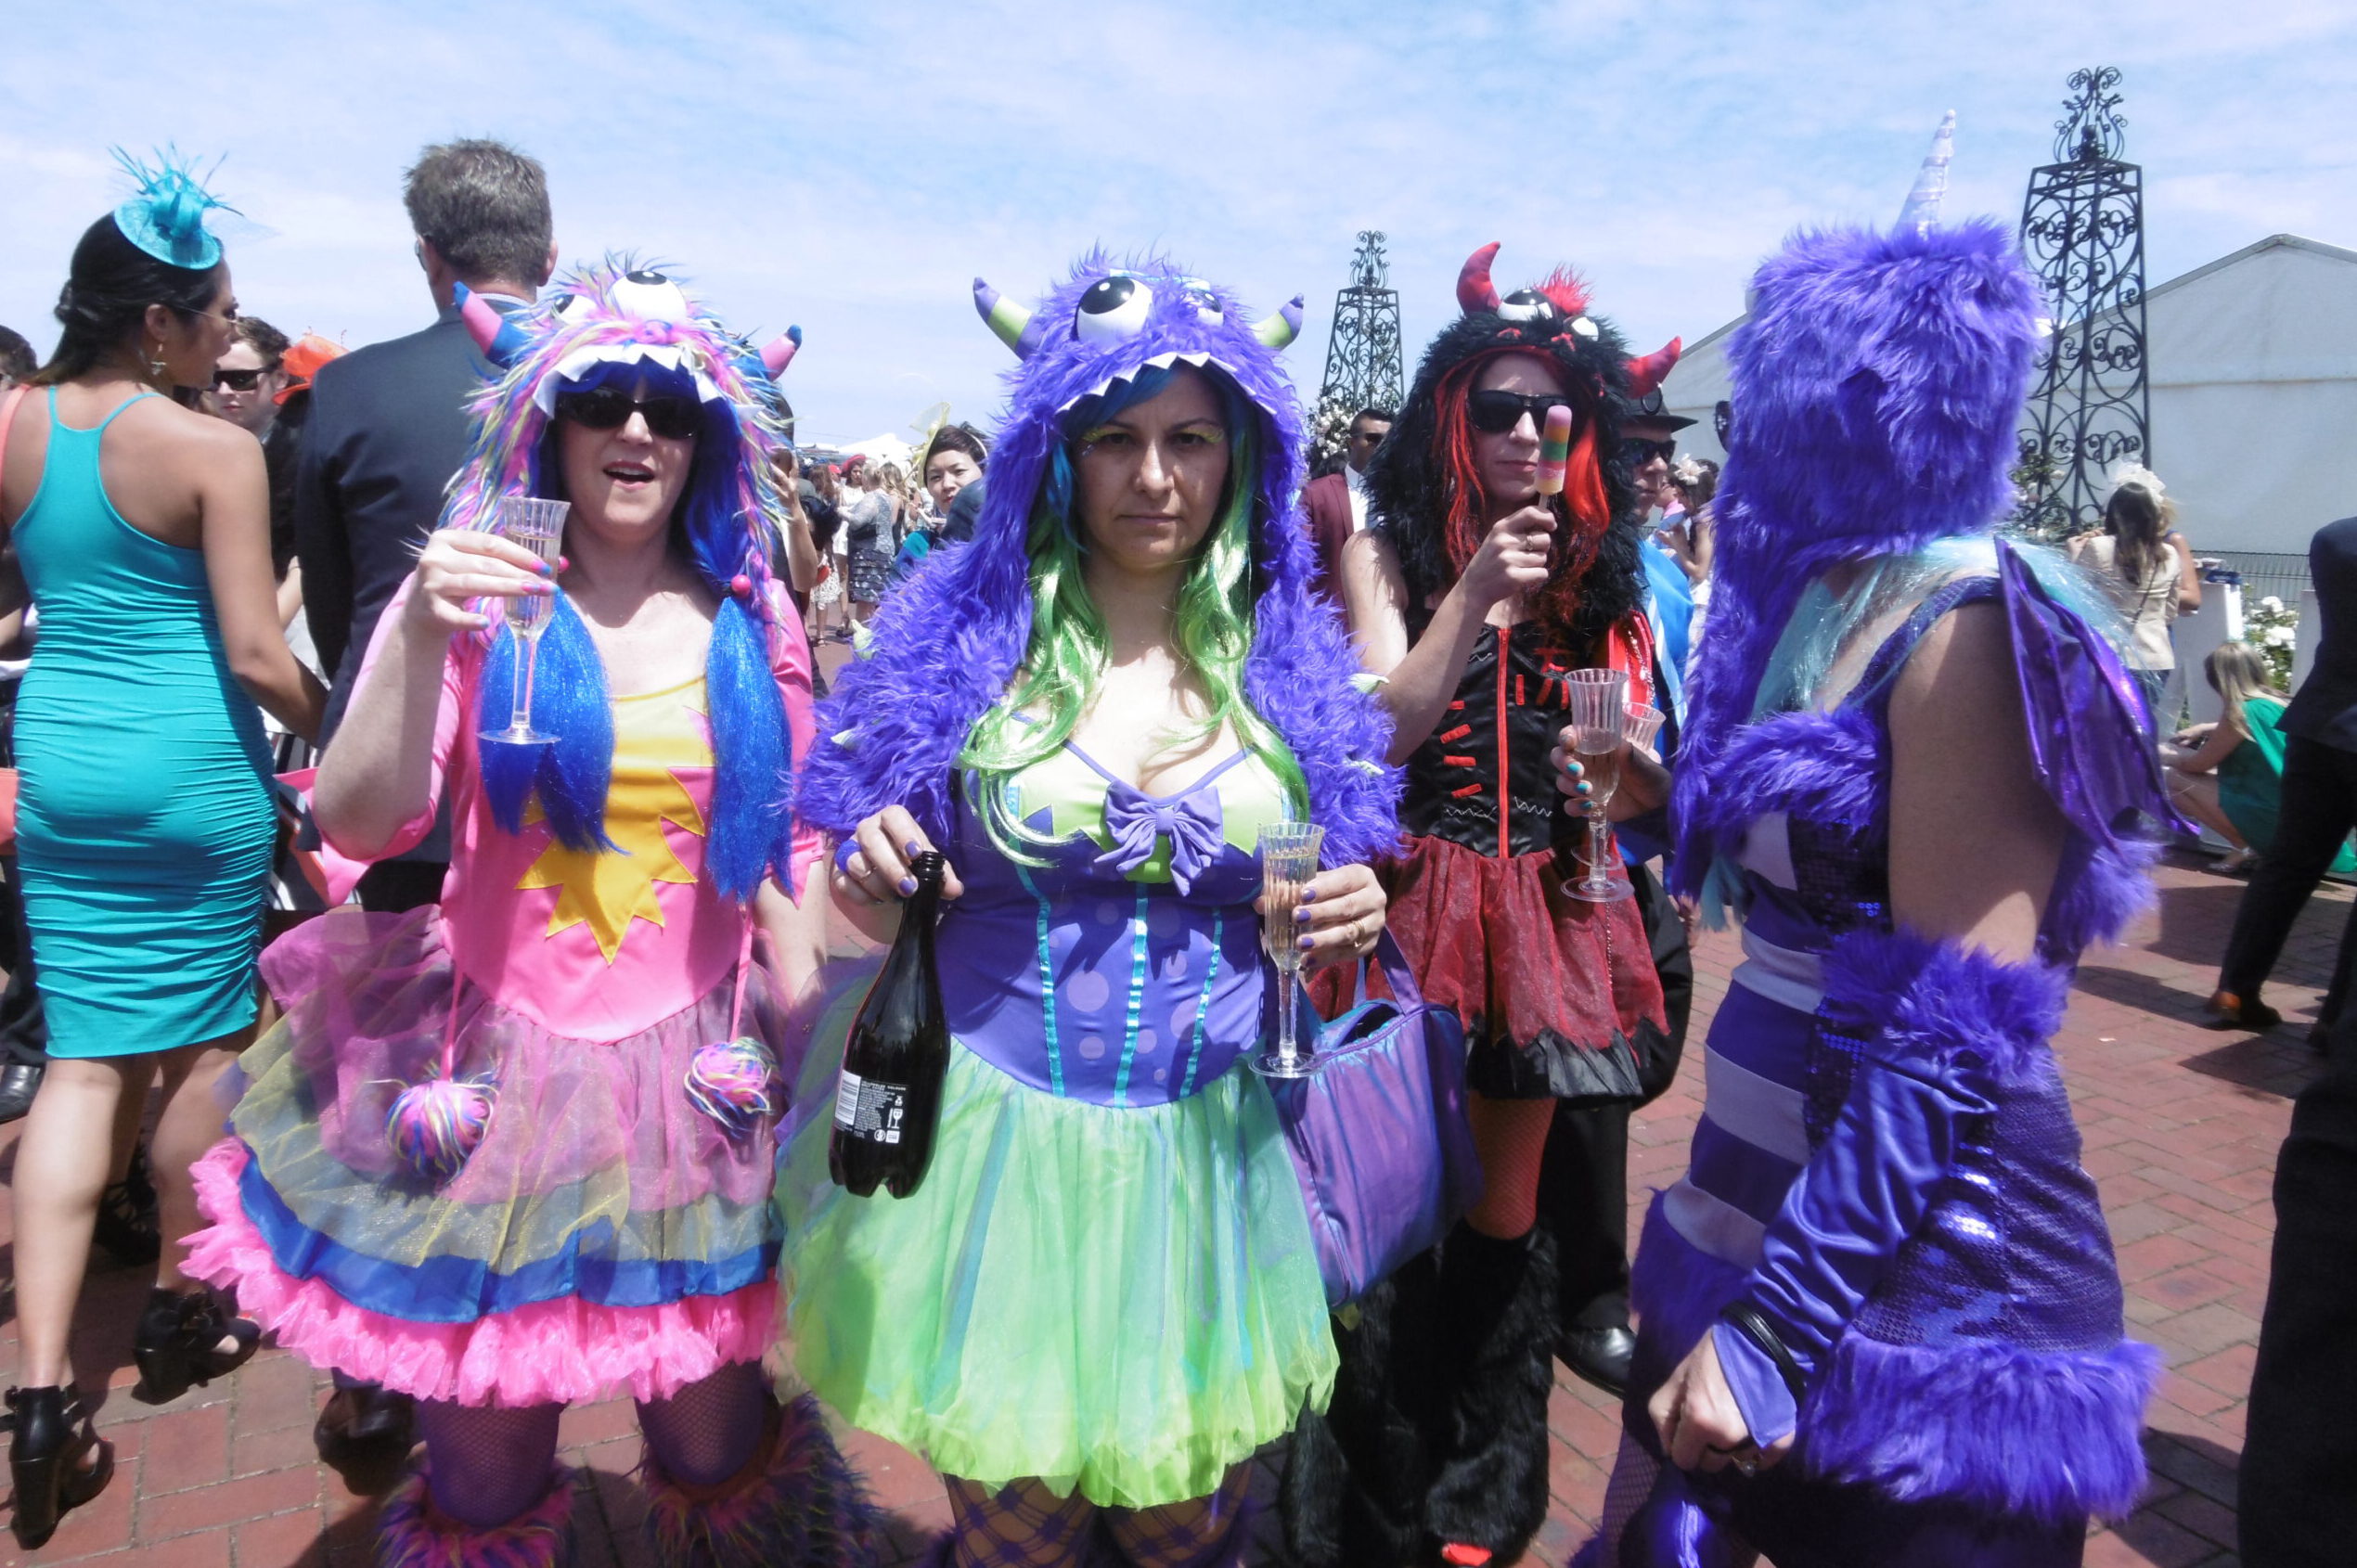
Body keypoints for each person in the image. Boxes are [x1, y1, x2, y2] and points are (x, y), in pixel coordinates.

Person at [184, 262, 874, 1567]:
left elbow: (787, 847)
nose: (636, 429)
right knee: (484, 1468)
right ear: (549, 423)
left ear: (704, 440)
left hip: (698, 1087)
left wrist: (806, 1036)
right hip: (493, 1080)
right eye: (602, 398)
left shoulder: (750, 612)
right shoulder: (484, 600)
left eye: (669, 409)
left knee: (713, 1447)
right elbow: (362, 821)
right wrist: (416, 623)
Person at [1588, 143, 2168, 1568]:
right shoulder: (1827, 596)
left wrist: (1776, 1330)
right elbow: (1808, 878)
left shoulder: (1965, 623)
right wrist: (1657, 799)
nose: (1757, 435)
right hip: (1760, 1193)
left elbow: (1957, 1025)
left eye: (1788, 396)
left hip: (1919, 1278)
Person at [780, 255, 1392, 1568]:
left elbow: (1314, 897)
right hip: (994, 1156)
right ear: (1056, 451)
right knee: (1023, 1538)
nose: (1154, 478)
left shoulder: (1288, 660)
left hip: (1209, 1162)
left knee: (1185, 1532)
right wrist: (873, 868)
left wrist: (1349, 903)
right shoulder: (962, 641)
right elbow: (867, 896)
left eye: (1190, 440)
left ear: (1240, 457)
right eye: (1116, 437)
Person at [1289, 244, 1676, 1568]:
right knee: (1390, 1203)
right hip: (1410, 901)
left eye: (1549, 416)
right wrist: (1474, 592)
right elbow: (1379, 735)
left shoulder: (1603, 571)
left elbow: (1637, 784)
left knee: (1507, 1208)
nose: (1524, 434)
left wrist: (1619, 773)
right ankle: (1365, 1491)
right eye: (1500, 409)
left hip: (1547, 905)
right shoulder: (1384, 551)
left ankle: (1485, 1482)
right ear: (1454, 416)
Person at [0, 150, 326, 1549]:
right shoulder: (212, 451)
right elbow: (256, 650)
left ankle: (37, 1394)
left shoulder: (13, 424)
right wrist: (343, 735)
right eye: (217, 312)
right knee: (205, 1048)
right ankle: (186, 1303)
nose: (228, 332)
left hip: (64, 767)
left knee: (82, 1063)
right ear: (157, 322)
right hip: (189, 772)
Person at [287, 140, 555, 1466]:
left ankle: (386, 1363)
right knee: (552, 1087)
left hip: (404, 790)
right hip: (557, 801)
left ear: (428, 258)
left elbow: (342, 611)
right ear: (547, 256)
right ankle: (537, 1317)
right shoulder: (594, 390)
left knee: (399, 1096)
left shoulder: (349, 392)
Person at [2206, 513, 2357, 1039]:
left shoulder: (2334, 538)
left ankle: (2236, 987)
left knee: (2287, 866)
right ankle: (2336, 1022)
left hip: (2319, 723)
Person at [2164, 641, 2354, 877]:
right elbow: (2251, 725)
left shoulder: (2238, 714)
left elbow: (2198, 764)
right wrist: (2204, 728)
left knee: (2174, 779)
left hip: (2272, 813)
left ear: (2217, 679)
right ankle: (2251, 846)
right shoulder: (2279, 702)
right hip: (2303, 813)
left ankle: (2244, 846)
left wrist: (2165, 755)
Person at [2067, 465, 2201, 713]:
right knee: (2142, 724)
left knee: (2104, 723)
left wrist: (2075, 555)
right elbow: (2169, 612)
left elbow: (2074, 598)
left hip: (2107, 652)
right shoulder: (2169, 554)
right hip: (2154, 655)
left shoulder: (2098, 547)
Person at [1302, 405, 1391, 605]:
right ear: (1352, 442)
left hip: (1390, 616)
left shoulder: (1401, 498)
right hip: (1335, 616)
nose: (1382, 447)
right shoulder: (1317, 494)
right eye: (1374, 439)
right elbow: (1298, 565)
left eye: (1388, 440)